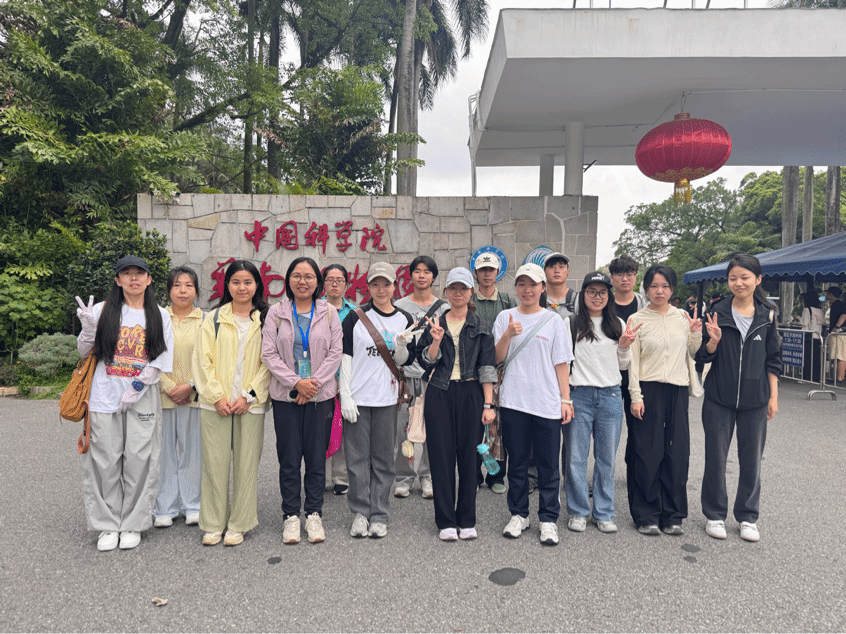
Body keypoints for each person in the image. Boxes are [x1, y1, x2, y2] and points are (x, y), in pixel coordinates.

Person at [75, 255, 174, 551]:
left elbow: (161, 359)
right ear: (117, 280)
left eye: (139, 273)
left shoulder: (159, 315)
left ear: (149, 279)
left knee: (140, 460)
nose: (133, 278)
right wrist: (88, 329)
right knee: (103, 461)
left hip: (141, 398)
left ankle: (133, 523)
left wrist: (136, 387)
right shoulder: (101, 310)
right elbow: (83, 351)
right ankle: (107, 525)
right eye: (127, 274)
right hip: (103, 397)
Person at [696, 254, 781, 542]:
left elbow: (773, 359)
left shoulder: (767, 315)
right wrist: (713, 342)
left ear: (758, 280)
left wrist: (773, 397)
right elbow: (702, 356)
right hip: (719, 397)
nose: (739, 283)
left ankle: (747, 516)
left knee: (752, 460)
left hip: (755, 400)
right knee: (716, 458)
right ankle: (714, 514)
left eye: (745, 277)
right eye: (733, 278)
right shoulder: (717, 311)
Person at [262, 257, 342, 545]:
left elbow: (335, 353)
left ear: (317, 282)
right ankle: (291, 516)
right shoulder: (276, 313)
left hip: (320, 397)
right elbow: (269, 354)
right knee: (289, 457)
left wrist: (312, 385)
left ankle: (314, 513)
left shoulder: (329, 313)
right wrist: (296, 383)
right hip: (286, 397)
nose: (302, 281)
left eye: (309, 276)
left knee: (316, 458)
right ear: (288, 280)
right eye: (297, 275)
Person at [494, 263, 574, 546]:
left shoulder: (554, 321)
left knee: (548, 464)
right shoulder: (505, 317)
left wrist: (565, 399)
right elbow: (496, 358)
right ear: (516, 287)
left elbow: (561, 363)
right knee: (516, 463)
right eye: (522, 284)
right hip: (513, 401)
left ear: (543, 288)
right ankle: (519, 514)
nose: (527, 290)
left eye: (533, 284)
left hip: (546, 402)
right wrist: (507, 335)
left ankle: (548, 519)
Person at [415, 268, 497, 541]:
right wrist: (436, 341)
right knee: (441, 457)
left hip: (471, 393)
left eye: (463, 288)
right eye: (453, 288)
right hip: (440, 392)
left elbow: (487, 368)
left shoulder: (480, 326)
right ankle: (446, 521)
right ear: (446, 291)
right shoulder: (435, 324)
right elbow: (425, 362)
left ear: (471, 292)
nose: (458, 293)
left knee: (470, 458)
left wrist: (488, 405)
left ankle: (467, 519)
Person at [192, 260, 270, 547]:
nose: (242, 287)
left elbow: (270, 362)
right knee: (214, 464)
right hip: (216, 404)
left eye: (248, 282)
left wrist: (249, 395)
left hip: (251, 404)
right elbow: (202, 360)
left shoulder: (267, 319)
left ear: (257, 285)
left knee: (246, 465)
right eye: (236, 282)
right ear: (227, 285)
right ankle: (213, 523)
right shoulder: (213, 318)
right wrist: (216, 397)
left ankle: (239, 523)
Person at [340, 262, 416, 538]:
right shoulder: (355, 317)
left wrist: (402, 345)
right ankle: (360, 513)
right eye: (375, 284)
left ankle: (380, 514)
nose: (381, 289)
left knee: (383, 458)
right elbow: (345, 358)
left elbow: (403, 361)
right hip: (359, 398)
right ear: (368, 287)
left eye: (386, 284)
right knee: (357, 458)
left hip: (387, 399)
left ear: (395, 286)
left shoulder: (404, 318)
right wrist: (345, 395)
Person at [628, 264, 702, 536]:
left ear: (672, 289)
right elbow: (632, 362)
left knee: (677, 453)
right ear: (646, 289)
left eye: (665, 286)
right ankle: (646, 514)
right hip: (648, 389)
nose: (660, 291)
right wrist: (635, 396)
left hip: (677, 389)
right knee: (647, 452)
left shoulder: (682, 317)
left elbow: (692, 353)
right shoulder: (636, 319)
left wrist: (696, 333)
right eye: (654, 286)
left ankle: (673, 515)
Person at [565, 272, 639, 535]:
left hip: (610, 395)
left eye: (602, 292)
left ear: (609, 296)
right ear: (583, 294)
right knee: (576, 457)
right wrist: (564, 397)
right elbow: (563, 361)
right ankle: (577, 511)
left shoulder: (617, 323)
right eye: (591, 291)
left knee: (606, 458)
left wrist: (624, 346)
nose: (597, 297)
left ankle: (604, 512)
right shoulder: (571, 323)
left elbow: (623, 365)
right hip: (579, 395)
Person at [393, 255, 448, 498]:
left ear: (433, 277)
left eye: (427, 271)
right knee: (402, 429)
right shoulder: (400, 306)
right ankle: (404, 477)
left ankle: (428, 475)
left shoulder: (443, 308)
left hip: (433, 376)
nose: (422, 275)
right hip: (405, 376)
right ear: (411, 275)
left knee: (432, 428)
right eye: (417, 271)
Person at [154, 266, 203, 529]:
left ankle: (193, 505)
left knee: (192, 452)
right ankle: (165, 507)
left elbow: (209, 358)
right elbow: (148, 356)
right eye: (177, 285)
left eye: (188, 285)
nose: (183, 291)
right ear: (169, 290)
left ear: (196, 290)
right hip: (162, 395)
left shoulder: (205, 320)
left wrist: (190, 386)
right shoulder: (157, 318)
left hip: (193, 396)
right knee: (163, 454)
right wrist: (169, 386)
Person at [470, 252, 516, 493]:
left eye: (491, 270)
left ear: (498, 272)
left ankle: (496, 476)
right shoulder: (468, 300)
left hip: (501, 371)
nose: (487, 274)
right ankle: (474, 475)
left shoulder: (508, 301)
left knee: (499, 427)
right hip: (473, 370)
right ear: (475, 273)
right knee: (474, 424)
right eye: (482, 270)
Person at [609, 253, 646, 510]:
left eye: (630, 274)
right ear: (612, 277)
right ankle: (602, 475)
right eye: (620, 274)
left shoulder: (644, 304)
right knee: (606, 430)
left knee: (638, 426)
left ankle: (634, 470)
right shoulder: (603, 302)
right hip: (609, 373)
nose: (625, 278)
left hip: (638, 374)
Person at [322, 264, 358, 496]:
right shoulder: (315, 309)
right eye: (330, 279)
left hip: (347, 379)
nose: (335, 284)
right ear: (323, 282)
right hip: (321, 380)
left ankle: (341, 477)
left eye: (339, 280)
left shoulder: (355, 313)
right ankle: (322, 477)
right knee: (321, 430)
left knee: (344, 430)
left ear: (346, 284)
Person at [799, 291, 824, 383]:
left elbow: (804, 323)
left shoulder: (807, 310)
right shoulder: (821, 310)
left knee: (807, 358)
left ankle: (807, 377)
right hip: (818, 337)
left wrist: (799, 318)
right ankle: (816, 377)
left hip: (808, 337)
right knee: (816, 359)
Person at [825, 286, 846, 385]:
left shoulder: (837, 304)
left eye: (827, 294)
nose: (826, 295)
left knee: (840, 356)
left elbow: (844, 315)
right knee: (839, 356)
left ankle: (839, 379)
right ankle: (839, 378)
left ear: (831, 295)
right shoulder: (838, 304)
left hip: (839, 334)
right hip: (839, 334)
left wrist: (836, 327)